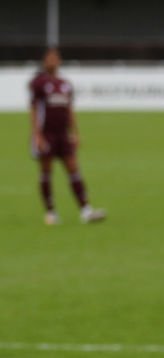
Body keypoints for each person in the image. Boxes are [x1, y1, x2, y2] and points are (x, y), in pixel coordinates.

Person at [29, 47, 105, 225]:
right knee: (46, 171)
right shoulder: (39, 83)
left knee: (73, 168)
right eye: (49, 58)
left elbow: (70, 110)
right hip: (46, 134)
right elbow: (33, 110)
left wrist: (75, 133)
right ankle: (50, 212)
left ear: (60, 61)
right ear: (44, 61)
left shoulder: (65, 84)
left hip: (63, 135)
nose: (52, 61)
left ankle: (86, 211)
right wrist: (37, 135)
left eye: (55, 58)